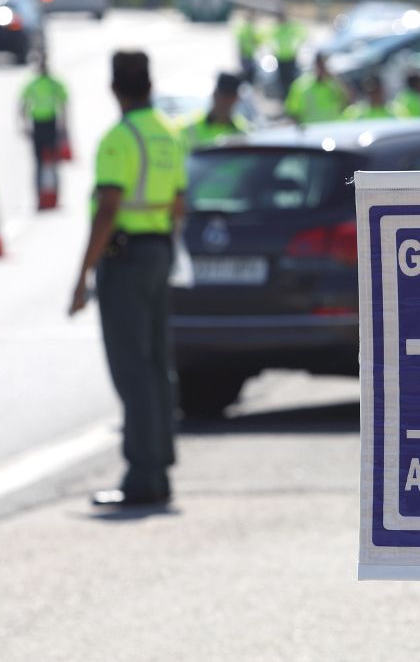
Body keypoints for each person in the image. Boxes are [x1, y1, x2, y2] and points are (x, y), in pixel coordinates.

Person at [69, 50, 187, 508]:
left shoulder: (118, 140)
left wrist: (83, 275)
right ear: (150, 86)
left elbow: (108, 210)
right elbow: (179, 204)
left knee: (131, 368)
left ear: (114, 89)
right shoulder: (169, 135)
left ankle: (141, 474)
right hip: (159, 252)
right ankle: (159, 469)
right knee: (158, 365)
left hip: (125, 258)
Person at [19, 56, 68, 191]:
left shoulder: (45, 84)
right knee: (44, 161)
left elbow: (63, 103)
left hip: (48, 123)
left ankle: (51, 191)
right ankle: (42, 192)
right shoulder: (49, 83)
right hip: (42, 124)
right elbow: (24, 105)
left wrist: (24, 125)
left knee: (46, 161)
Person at [180, 73, 251, 149]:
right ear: (214, 94)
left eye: (229, 97)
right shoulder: (188, 126)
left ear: (236, 99)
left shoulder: (244, 130)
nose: (224, 102)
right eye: (222, 95)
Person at [285, 53, 348, 125]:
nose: (323, 69)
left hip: (333, 128)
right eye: (320, 66)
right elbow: (292, 110)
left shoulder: (334, 84)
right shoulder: (301, 85)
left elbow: (347, 103)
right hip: (312, 130)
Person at [270, 9, 306, 97]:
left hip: (291, 57)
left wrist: (296, 48)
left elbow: (302, 35)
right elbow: (271, 41)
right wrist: (274, 50)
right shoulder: (276, 29)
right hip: (281, 58)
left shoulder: (291, 28)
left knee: (292, 80)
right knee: (282, 81)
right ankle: (285, 98)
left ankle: (292, 97)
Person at [235, 11, 260, 84]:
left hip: (250, 55)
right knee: (247, 74)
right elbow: (241, 43)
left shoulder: (251, 29)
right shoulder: (246, 30)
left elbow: (256, 41)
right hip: (245, 55)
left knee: (250, 74)